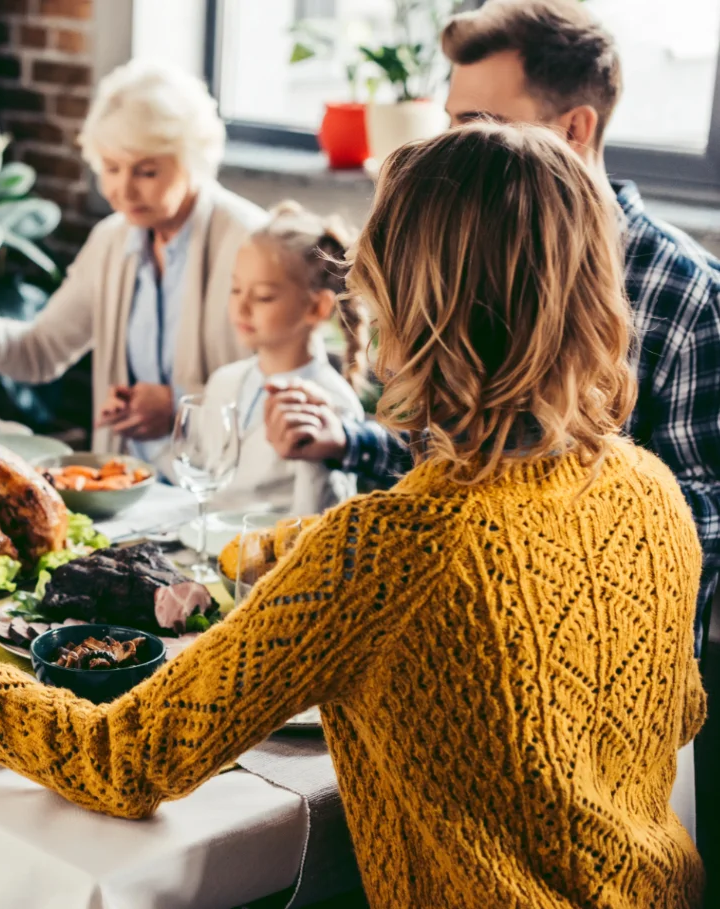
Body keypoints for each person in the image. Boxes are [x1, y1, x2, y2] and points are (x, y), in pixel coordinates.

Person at [0, 125, 706, 908]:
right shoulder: (647, 490)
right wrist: (277, 552)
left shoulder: (386, 552)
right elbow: (672, 709)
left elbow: (125, 758)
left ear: (417, 311)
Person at [264, 0, 720, 635]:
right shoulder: (466, 258)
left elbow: (709, 508)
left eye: (482, 123)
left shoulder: (688, 292)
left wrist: (536, 532)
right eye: (451, 123)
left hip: (610, 659)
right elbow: (457, 460)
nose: (455, 150)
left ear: (575, 129)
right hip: (453, 644)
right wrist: (353, 443)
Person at [0, 60, 266, 473]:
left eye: (146, 171)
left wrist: (184, 405)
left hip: (224, 495)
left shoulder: (253, 243)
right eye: (110, 168)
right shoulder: (112, 239)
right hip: (128, 490)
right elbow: (38, 352)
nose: (123, 190)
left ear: (193, 159)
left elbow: (281, 388)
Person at [201, 202, 364, 514]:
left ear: (316, 308)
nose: (242, 307)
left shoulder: (330, 405)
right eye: (236, 290)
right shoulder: (224, 383)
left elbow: (323, 520)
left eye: (263, 296)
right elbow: (204, 487)